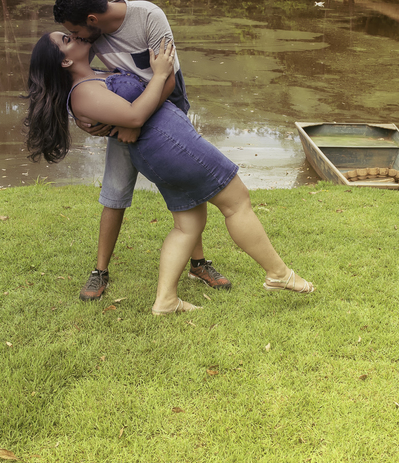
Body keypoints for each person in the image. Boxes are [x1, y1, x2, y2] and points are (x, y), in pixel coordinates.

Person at [24, 32, 315, 314]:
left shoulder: (95, 76)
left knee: (188, 224)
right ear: (64, 61)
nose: (75, 36)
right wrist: (160, 74)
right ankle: (278, 273)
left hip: (168, 145)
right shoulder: (83, 92)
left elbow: (129, 114)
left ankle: (166, 300)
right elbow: (134, 116)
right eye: (66, 40)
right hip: (173, 146)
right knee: (237, 201)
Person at [52, 0, 228, 301]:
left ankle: (199, 263)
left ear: (91, 20)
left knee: (186, 188)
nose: (76, 38)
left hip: (165, 113)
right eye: (71, 35)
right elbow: (79, 77)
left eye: (75, 32)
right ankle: (100, 271)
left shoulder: (148, 16)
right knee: (115, 191)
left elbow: (168, 78)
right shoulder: (90, 38)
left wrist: (136, 122)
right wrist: (83, 118)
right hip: (127, 115)